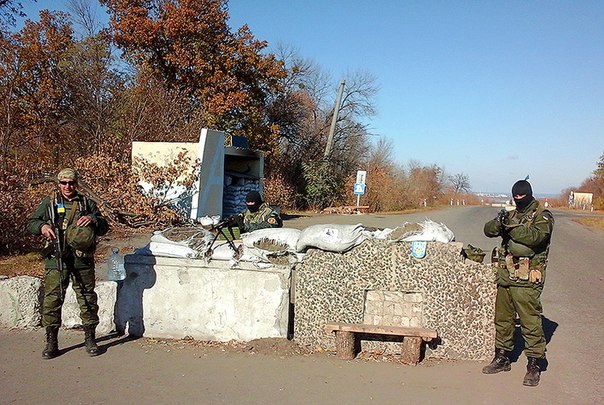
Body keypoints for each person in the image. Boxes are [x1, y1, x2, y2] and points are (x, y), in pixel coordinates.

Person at [27, 168, 109, 359]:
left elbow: (104, 226)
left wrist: (93, 219)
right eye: (63, 183)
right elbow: (31, 222)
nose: (67, 187)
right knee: (53, 298)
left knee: (87, 297)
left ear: (76, 184)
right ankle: (51, 341)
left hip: (82, 258)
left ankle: (90, 338)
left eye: (71, 183)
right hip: (56, 258)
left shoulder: (86, 203)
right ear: (59, 184)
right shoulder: (49, 203)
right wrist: (42, 226)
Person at [482, 180, 554, 387]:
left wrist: (510, 227)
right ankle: (502, 357)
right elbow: (488, 230)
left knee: (530, 321)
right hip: (506, 275)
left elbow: (535, 238)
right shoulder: (511, 215)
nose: (518, 199)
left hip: (527, 277)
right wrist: (499, 222)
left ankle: (535, 364)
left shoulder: (543, 215)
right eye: (516, 196)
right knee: (502, 319)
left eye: (522, 196)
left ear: (529, 195)